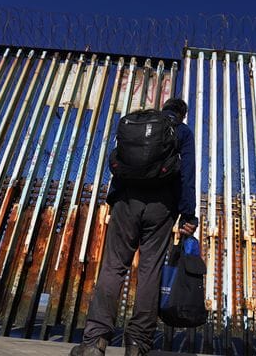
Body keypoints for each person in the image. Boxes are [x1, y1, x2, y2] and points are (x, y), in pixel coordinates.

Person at [70, 98, 198, 356]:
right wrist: (188, 214)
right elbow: (187, 173)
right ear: (182, 114)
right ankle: (138, 343)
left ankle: (95, 341)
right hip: (162, 206)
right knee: (150, 271)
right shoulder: (182, 131)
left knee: (113, 266)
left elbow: (119, 163)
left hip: (127, 202)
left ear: (163, 109)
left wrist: (114, 197)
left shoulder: (138, 124)